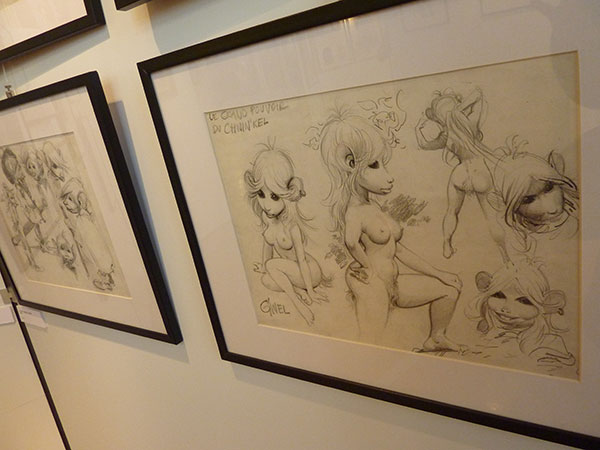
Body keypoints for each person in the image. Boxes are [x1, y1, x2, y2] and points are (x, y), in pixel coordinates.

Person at [320, 108, 463, 349]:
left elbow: (399, 250)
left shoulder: (373, 207)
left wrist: (438, 273)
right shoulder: (354, 211)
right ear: (351, 164)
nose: (388, 177)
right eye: (374, 165)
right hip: (372, 282)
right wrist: (367, 267)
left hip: (392, 280)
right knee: (372, 343)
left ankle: (436, 338)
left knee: (448, 289)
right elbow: (351, 241)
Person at [415, 88, 508, 262]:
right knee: (492, 216)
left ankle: (447, 243)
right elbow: (478, 94)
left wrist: (417, 130)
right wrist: (459, 110)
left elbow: (424, 145)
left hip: (460, 173)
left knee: (451, 211)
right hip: (480, 170)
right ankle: (506, 257)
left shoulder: (445, 136)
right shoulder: (470, 123)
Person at [245, 145, 325, 325]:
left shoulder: (292, 227)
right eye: (261, 194)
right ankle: (298, 291)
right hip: (290, 273)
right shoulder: (267, 221)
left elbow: (301, 260)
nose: (266, 205)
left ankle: (299, 303)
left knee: (272, 266)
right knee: (266, 279)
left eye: (274, 196)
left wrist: (311, 290)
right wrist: (264, 267)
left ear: (287, 194)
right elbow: (267, 253)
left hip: (309, 271)